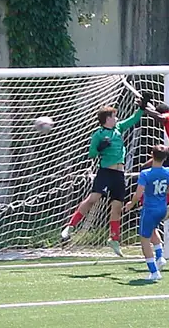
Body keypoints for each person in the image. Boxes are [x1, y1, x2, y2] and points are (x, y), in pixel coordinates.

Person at [61, 95, 149, 257]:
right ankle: (70, 226)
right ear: (106, 119)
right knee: (93, 198)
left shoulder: (119, 128)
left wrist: (142, 107)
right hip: (105, 172)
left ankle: (113, 239)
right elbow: (92, 154)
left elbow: (134, 119)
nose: (116, 118)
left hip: (119, 174)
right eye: (113, 116)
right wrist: (101, 147)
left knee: (117, 207)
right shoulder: (98, 134)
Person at [123, 146, 169, 281]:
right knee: (153, 230)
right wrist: (167, 204)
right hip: (162, 208)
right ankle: (160, 257)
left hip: (149, 209)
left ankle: (153, 271)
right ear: (166, 158)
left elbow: (138, 193)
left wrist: (131, 204)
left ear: (152, 155)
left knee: (144, 239)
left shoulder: (146, 173)